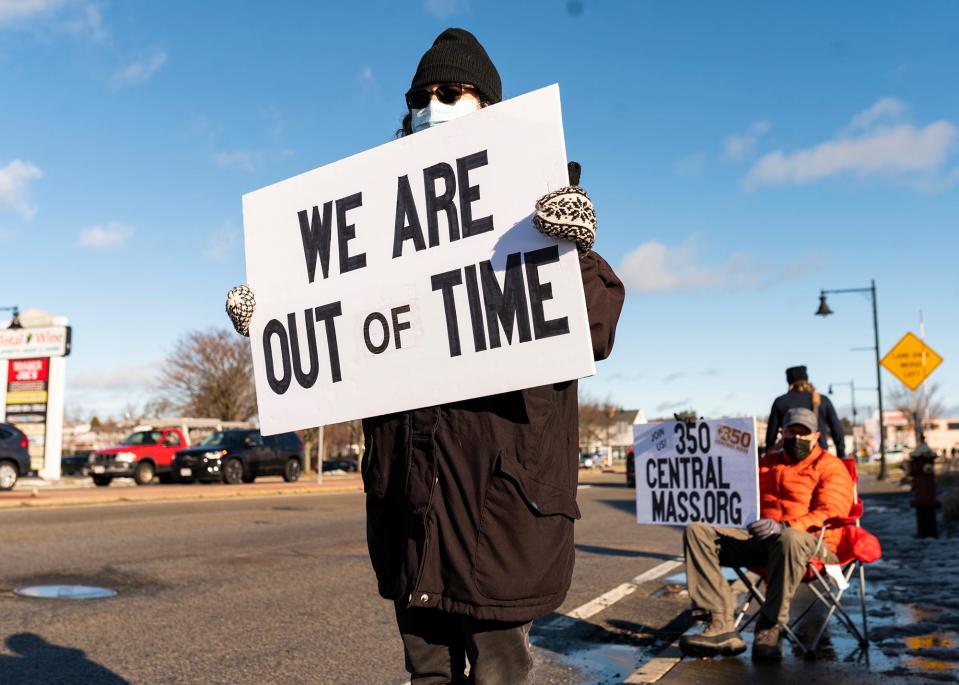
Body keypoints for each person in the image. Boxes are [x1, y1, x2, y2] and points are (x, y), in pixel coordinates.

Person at [226, 28, 624, 684]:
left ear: (487, 108)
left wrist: (573, 252)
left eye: (450, 92)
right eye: (420, 96)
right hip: (409, 507)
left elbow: (596, 327)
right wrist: (273, 322)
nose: (431, 105)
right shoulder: (372, 227)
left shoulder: (538, 212)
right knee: (427, 676)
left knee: (501, 674)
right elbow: (337, 343)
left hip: (499, 513)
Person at [679, 408, 854, 661]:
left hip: (814, 545)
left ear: (816, 436)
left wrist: (786, 525)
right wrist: (692, 437)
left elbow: (832, 510)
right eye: (792, 431)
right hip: (764, 542)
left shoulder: (830, 466)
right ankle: (720, 623)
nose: (797, 438)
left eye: (804, 433)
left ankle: (770, 624)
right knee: (697, 531)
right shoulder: (766, 463)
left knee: (789, 538)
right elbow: (720, 476)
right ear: (782, 432)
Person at [765, 365, 846, 458]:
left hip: (789, 458)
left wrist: (768, 454)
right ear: (806, 379)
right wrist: (841, 454)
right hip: (819, 458)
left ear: (789, 381)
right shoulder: (822, 400)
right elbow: (837, 430)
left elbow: (771, 436)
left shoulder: (780, 402)